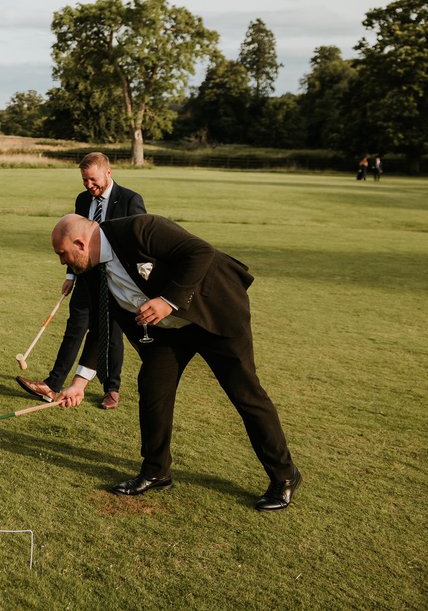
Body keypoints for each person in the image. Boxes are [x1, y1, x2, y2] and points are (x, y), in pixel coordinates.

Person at [50, 213, 301, 511]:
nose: (63, 262)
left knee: (245, 393)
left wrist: (167, 300)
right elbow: (102, 323)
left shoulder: (139, 229)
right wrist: (80, 383)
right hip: (167, 333)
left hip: (213, 313)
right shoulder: (91, 271)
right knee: (153, 388)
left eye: (62, 254)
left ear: (80, 244)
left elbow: (201, 252)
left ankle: (285, 476)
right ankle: (157, 471)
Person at [16, 152, 146, 410]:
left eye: (93, 179)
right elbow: (73, 241)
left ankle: (112, 388)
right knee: (75, 328)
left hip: (116, 279)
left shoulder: (130, 200)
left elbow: (139, 243)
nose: (89, 185)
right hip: (86, 275)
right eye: (84, 180)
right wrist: (70, 275)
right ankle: (52, 384)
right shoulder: (83, 200)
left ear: (108, 173)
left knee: (111, 334)